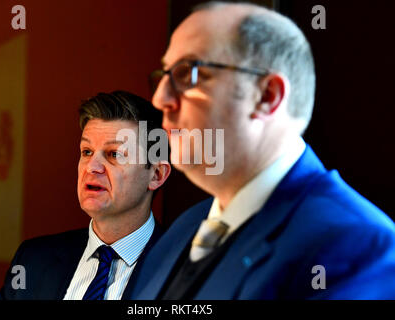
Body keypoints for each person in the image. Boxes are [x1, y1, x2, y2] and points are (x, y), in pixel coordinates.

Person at [129, 2, 395, 299]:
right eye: (164, 75)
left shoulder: (358, 246)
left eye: (187, 73)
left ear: (266, 96)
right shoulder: (182, 231)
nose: (159, 98)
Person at [0, 91, 171, 300]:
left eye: (114, 154)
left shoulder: (187, 269)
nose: (92, 167)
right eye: (87, 151)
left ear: (156, 175)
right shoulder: (31, 260)